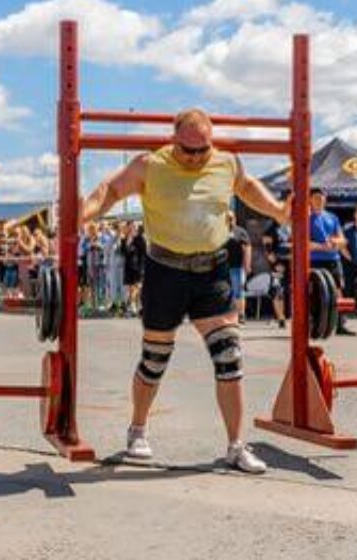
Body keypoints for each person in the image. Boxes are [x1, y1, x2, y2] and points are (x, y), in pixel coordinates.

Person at [78, 108, 288, 474]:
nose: (195, 158)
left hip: (213, 273)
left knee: (230, 356)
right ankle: (138, 430)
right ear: (174, 141)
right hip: (165, 272)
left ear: (211, 142)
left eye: (202, 150)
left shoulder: (226, 163)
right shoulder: (150, 165)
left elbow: (248, 186)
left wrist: (279, 211)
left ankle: (236, 446)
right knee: (155, 358)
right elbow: (111, 189)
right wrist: (84, 213)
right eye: (187, 150)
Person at [308, 188, 351, 335]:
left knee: (338, 291)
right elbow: (302, 242)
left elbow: (343, 240)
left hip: (333, 260)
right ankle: (315, 324)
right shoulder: (305, 218)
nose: (319, 201)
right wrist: (321, 246)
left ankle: (340, 324)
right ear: (310, 200)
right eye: (316, 198)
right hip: (314, 261)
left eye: (321, 198)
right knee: (313, 293)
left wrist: (334, 242)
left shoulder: (332, 218)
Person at [223, 212, 251, 321]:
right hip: (222, 267)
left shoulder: (240, 232)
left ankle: (241, 315)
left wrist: (247, 265)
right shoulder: (219, 231)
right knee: (224, 292)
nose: (230, 220)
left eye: (231, 218)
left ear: (235, 219)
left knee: (238, 291)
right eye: (227, 218)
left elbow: (247, 248)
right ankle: (227, 315)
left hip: (237, 267)